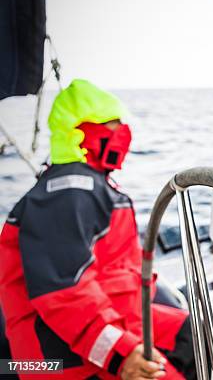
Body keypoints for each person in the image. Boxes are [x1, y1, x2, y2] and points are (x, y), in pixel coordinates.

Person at [0, 80, 194, 379]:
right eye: (112, 126)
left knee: (192, 335)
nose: (123, 135)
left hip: (115, 316)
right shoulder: (66, 194)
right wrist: (122, 355)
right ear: (81, 132)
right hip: (64, 356)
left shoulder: (89, 186)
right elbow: (64, 292)